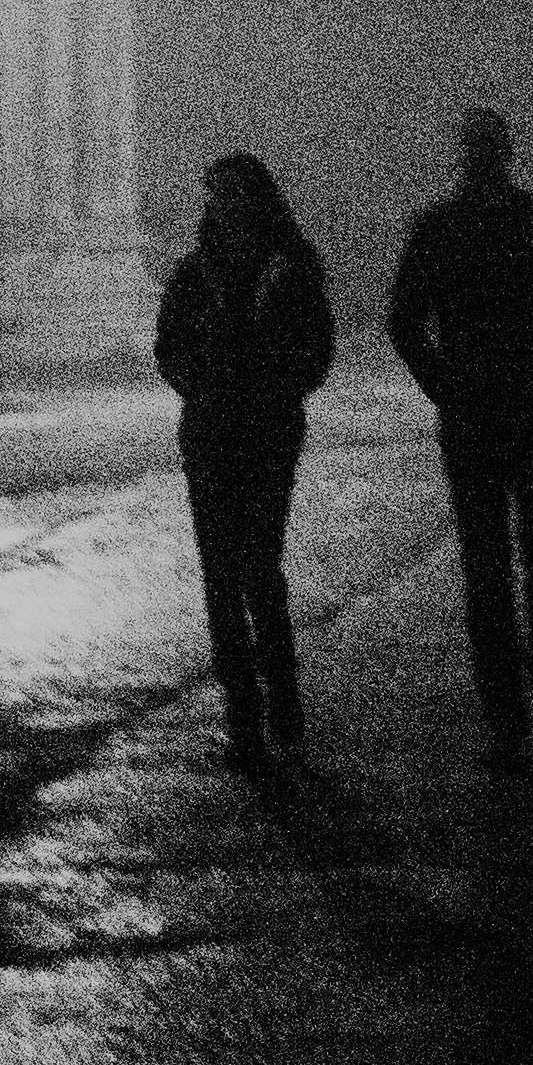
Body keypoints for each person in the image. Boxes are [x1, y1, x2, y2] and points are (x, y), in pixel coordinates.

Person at [386, 103, 533, 763]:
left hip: (473, 412)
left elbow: (403, 320)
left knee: (487, 567)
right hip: (531, 409)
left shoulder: (438, 227)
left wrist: (443, 384)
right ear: (508, 153)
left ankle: (505, 719)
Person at [153, 147, 337, 776]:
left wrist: (279, 387)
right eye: (215, 193)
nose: (222, 204)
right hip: (210, 431)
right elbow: (168, 346)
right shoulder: (195, 274)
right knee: (221, 575)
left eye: (231, 193)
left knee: (257, 565)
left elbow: (318, 346)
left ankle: (280, 701)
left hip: (264, 430)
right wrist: (198, 385)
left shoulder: (287, 269)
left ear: (254, 199)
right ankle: (243, 711)